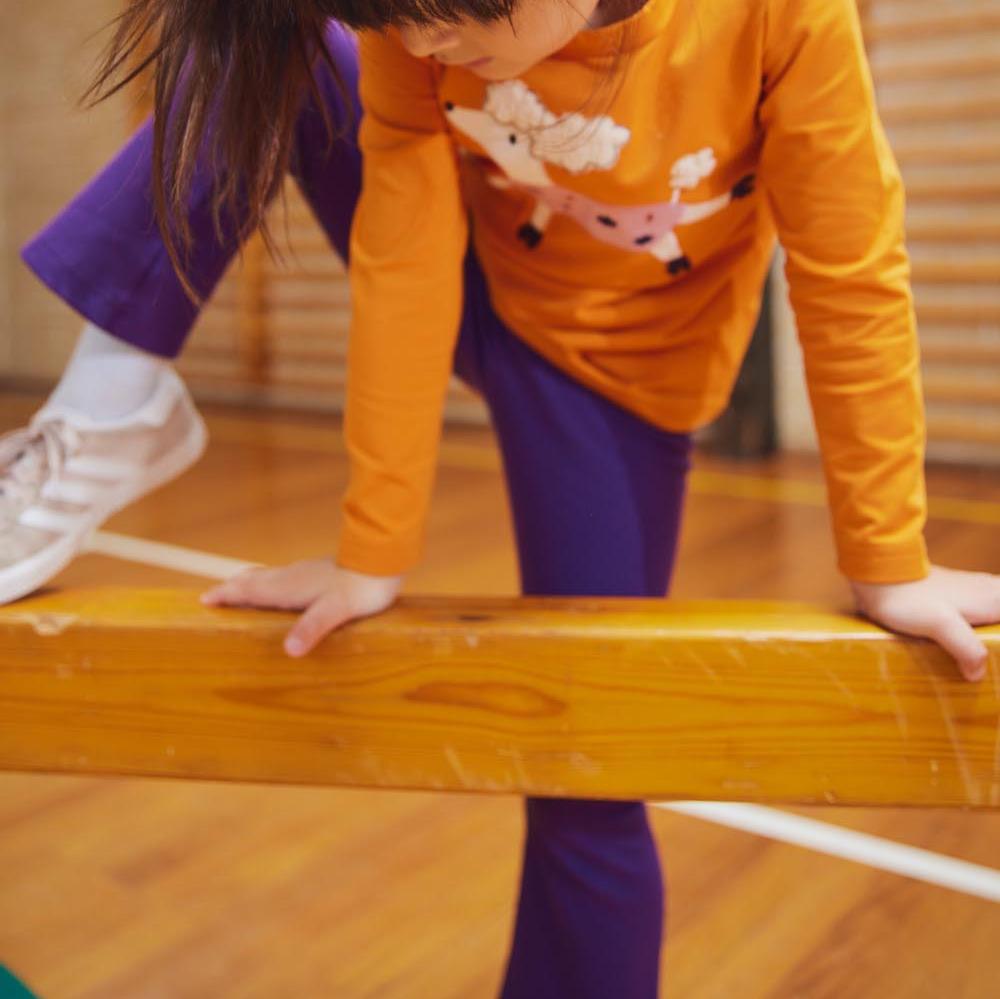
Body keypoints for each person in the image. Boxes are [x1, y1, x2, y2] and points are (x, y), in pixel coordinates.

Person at [4, 0, 998, 993]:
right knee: (266, 30)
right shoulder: (412, 29)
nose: (418, 47)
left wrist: (887, 558)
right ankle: (106, 412)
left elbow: (849, 270)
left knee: (585, 763)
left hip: (615, 378)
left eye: (434, 21)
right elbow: (403, 252)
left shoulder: (779, 17)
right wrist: (372, 550)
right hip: (480, 272)